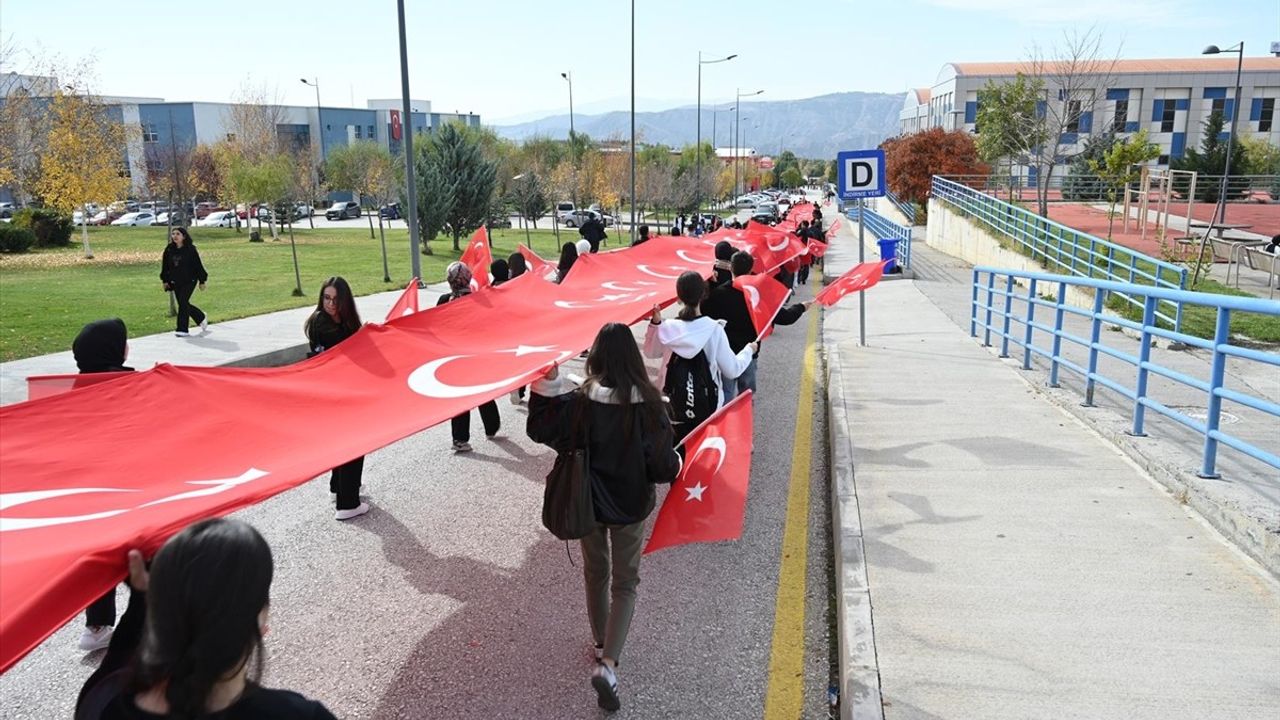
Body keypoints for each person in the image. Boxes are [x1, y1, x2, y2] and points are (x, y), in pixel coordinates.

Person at [526, 323, 682, 713]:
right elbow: (663, 467)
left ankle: (599, 643)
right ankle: (609, 665)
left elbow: (540, 429)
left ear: (595, 358)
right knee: (625, 583)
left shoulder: (579, 402)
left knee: (596, 572)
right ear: (632, 359)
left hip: (587, 504)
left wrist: (547, 383)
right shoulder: (650, 406)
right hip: (630, 508)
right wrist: (678, 460)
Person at [75, 518, 337, 720]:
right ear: (258, 620)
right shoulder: (296, 714)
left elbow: (121, 657)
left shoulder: (104, 705)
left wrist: (143, 601)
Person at [71, 318, 136, 653]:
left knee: (102, 555)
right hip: (132, 488)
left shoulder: (74, 389)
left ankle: (96, 626)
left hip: (90, 491)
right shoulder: (128, 386)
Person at [644, 271, 755, 441]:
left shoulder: (668, 328)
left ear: (679, 296)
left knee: (673, 449)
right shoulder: (714, 330)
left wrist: (655, 324)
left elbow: (650, 352)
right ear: (704, 294)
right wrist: (749, 350)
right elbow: (732, 370)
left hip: (671, 405)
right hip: (707, 408)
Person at [702, 251, 810, 401]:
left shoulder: (717, 294)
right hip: (749, 353)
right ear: (751, 269)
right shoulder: (757, 296)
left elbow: (702, 311)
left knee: (725, 395)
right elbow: (785, 317)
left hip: (725, 354)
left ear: (731, 268)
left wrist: (711, 284)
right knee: (746, 397)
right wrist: (801, 307)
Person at [305, 277, 369, 520]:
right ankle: (348, 502)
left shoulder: (343, 321)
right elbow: (340, 354)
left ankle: (339, 488)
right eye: (326, 298)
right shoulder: (321, 323)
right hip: (334, 393)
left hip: (346, 390)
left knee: (345, 442)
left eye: (335, 299)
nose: (331, 304)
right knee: (354, 442)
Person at [439, 263, 500, 451]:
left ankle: (459, 438)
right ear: (468, 278)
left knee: (461, 397)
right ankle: (491, 427)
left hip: (452, 357)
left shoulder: (443, 300)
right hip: (475, 355)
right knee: (483, 391)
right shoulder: (477, 300)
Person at [159, 227, 209, 338]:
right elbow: (165, 266)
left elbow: (198, 265)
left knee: (183, 301)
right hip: (176, 281)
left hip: (190, 280)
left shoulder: (190, 249)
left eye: (178, 234)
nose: (175, 236)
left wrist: (202, 280)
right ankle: (201, 317)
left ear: (184, 236)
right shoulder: (169, 249)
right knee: (183, 303)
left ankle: (182, 329)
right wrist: (165, 280)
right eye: (173, 234)